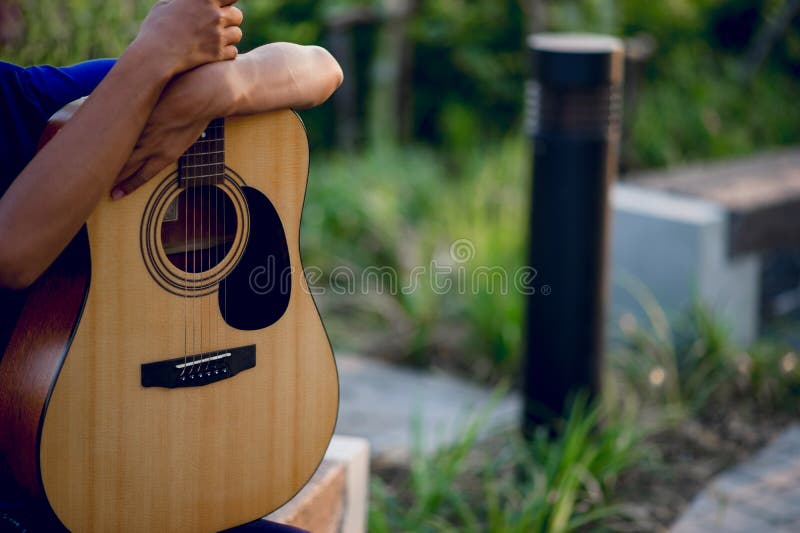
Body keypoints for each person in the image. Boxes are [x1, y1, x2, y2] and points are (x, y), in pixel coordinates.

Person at [0, 0, 342, 530]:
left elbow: (320, 67)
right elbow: (12, 252)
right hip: (61, 469)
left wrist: (217, 90)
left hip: (144, 463)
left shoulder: (22, 98)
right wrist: (153, 53)